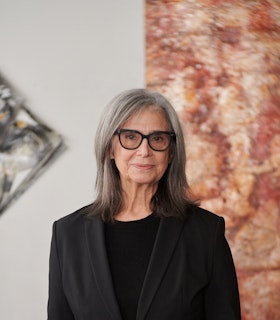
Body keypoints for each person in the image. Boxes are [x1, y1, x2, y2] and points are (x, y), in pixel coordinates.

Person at [47, 88, 241, 320]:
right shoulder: (67, 234)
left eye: (158, 138)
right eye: (130, 137)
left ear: (171, 153)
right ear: (110, 147)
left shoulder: (206, 232)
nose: (144, 151)